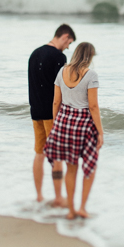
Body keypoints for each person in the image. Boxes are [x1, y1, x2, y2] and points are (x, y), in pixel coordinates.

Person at [43, 42, 103, 219]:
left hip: (64, 122)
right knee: (89, 167)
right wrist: (100, 132)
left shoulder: (62, 72)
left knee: (71, 168)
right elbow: (93, 106)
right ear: (89, 56)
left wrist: (56, 126)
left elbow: (56, 102)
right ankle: (82, 208)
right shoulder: (91, 74)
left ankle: (70, 211)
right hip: (83, 123)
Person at [28, 24, 76, 205]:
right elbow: (61, 88)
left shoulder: (35, 54)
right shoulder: (58, 57)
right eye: (69, 43)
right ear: (64, 36)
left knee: (39, 153)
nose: (68, 47)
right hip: (52, 113)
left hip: (36, 111)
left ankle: (39, 196)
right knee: (56, 156)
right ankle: (58, 197)